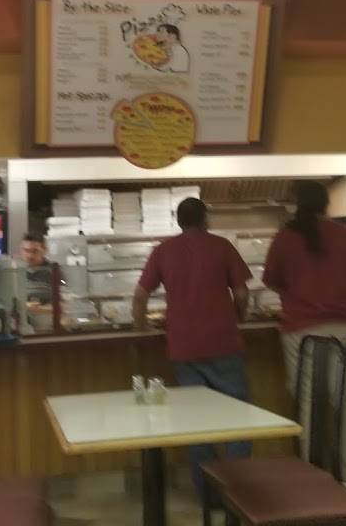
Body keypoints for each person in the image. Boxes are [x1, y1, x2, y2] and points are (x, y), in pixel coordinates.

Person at [132, 197, 251, 500]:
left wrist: (140, 327)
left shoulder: (164, 250)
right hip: (223, 341)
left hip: (183, 346)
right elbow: (241, 293)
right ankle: (237, 492)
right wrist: (239, 316)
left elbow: (140, 295)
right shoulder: (222, 246)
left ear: (179, 221)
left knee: (197, 421)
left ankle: (208, 496)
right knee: (239, 416)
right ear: (205, 219)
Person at [263, 181, 346, 392]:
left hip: (302, 329)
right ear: (326, 204)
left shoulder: (284, 238)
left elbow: (271, 280)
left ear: (297, 205)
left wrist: (293, 294)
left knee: (308, 395)